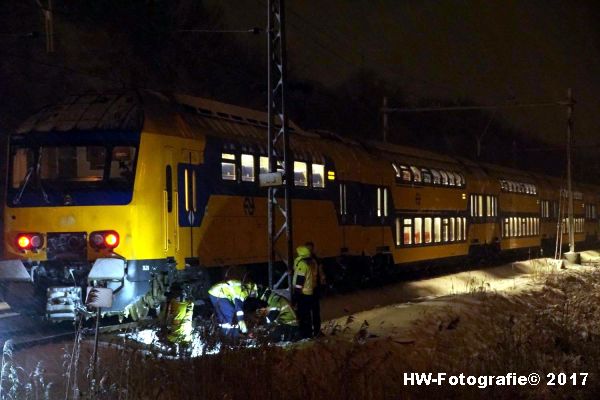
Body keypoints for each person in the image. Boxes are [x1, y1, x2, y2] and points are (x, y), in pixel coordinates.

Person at [292, 245, 320, 339]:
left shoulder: (302, 265)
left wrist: (296, 295)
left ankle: (305, 334)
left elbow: (300, 281)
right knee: (309, 314)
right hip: (310, 292)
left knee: (304, 315)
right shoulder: (311, 262)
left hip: (303, 294)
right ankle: (312, 333)